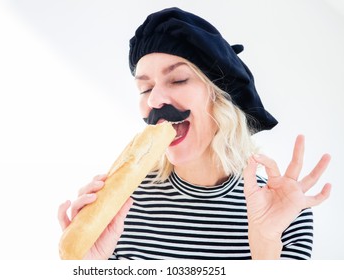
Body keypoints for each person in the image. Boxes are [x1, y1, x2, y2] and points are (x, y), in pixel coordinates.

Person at [58, 7, 331, 260]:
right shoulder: (119, 209)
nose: (154, 100)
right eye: (144, 88)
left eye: (178, 79)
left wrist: (265, 243)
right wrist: (89, 267)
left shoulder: (284, 209)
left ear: (221, 97)